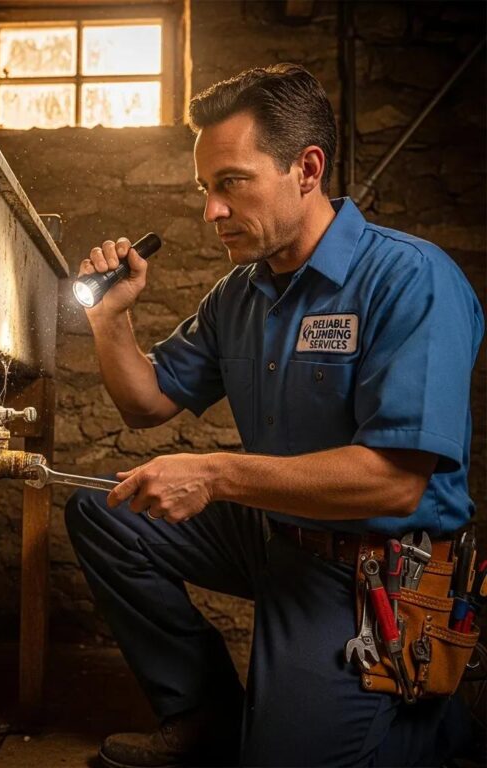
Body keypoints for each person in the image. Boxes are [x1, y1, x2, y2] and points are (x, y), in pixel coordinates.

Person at [64, 64, 484, 767]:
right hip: (273, 533)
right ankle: (205, 718)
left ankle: (426, 720)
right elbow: (146, 405)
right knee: (103, 511)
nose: (211, 212)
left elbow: (394, 484)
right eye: (206, 189)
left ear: (307, 169)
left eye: (231, 182)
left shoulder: (411, 278)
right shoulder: (239, 295)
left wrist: (217, 473)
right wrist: (110, 321)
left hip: (369, 567)